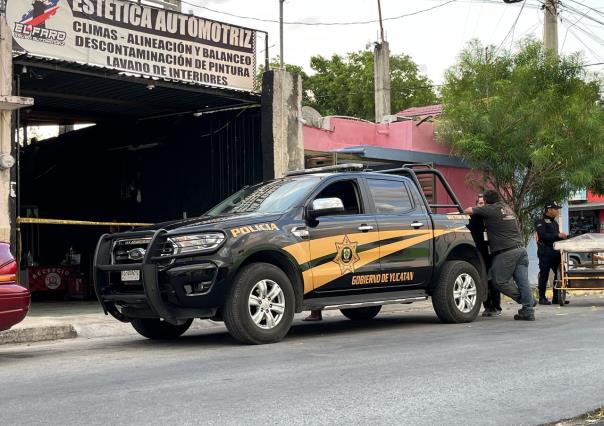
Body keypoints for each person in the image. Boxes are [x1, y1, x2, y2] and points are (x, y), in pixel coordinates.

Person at [464, 190, 535, 321]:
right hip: (521, 250)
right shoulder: (507, 208)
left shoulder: (490, 209)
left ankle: (528, 301)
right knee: (522, 282)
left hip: (506, 252)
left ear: (486, 201)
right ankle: (528, 309)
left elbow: (468, 210)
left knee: (498, 281)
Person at [468, 194, 502, 317]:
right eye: (480, 203)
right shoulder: (474, 219)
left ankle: (496, 306)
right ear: (477, 205)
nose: (482, 206)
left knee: (494, 279)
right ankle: (487, 306)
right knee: (484, 279)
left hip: (494, 252)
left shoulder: (492, 217)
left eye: (484, 203)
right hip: (480, 254)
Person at [535, 202, 568, 305]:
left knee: (559, 274)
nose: (557, 211)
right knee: (544, 275)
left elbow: (556, 237)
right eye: (555, 209)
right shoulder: (540, 222)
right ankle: (542, 298)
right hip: (545, 252)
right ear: (549, 209)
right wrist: (558, 235)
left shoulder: (555, 222)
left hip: (555, 253)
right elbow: (543, 236)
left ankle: (556, 297)